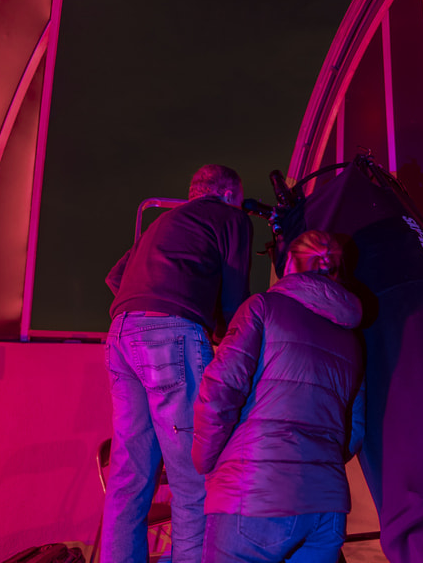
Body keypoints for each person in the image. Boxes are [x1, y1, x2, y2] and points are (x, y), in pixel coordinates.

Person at [102, 164, 253, 563]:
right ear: (228, 194)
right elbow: (236, 300)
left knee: (128, 478)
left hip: (120, 333)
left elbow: (116, 278)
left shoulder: (165, 221)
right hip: (169, 336)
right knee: (192, 481)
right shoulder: (230, 217)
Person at [192, 229, 365, 563]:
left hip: (252, 495)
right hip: (326, 506)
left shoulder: (262, 307)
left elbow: (219, 393)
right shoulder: (352, 338)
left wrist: (205, 460)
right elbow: (354, 431)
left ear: (287, 262)